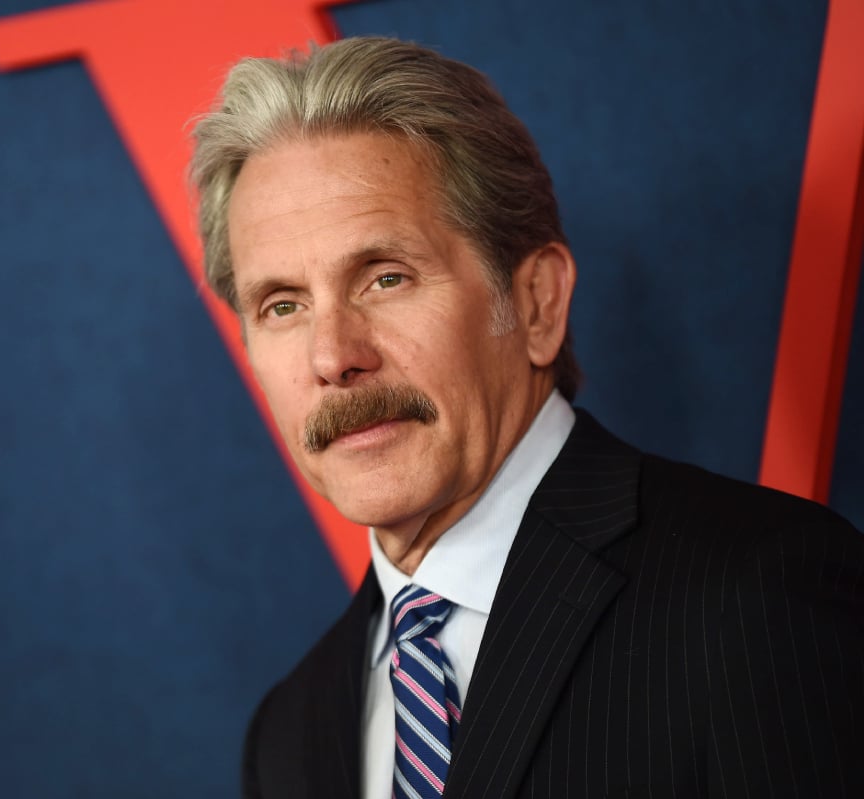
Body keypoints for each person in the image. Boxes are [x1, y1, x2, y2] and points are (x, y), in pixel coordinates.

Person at [189, 36, 864, 798]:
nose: (333, 355)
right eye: (282, 305)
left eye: (385, 277)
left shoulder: (760, 595)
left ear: (537, 301)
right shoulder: (289, 734)